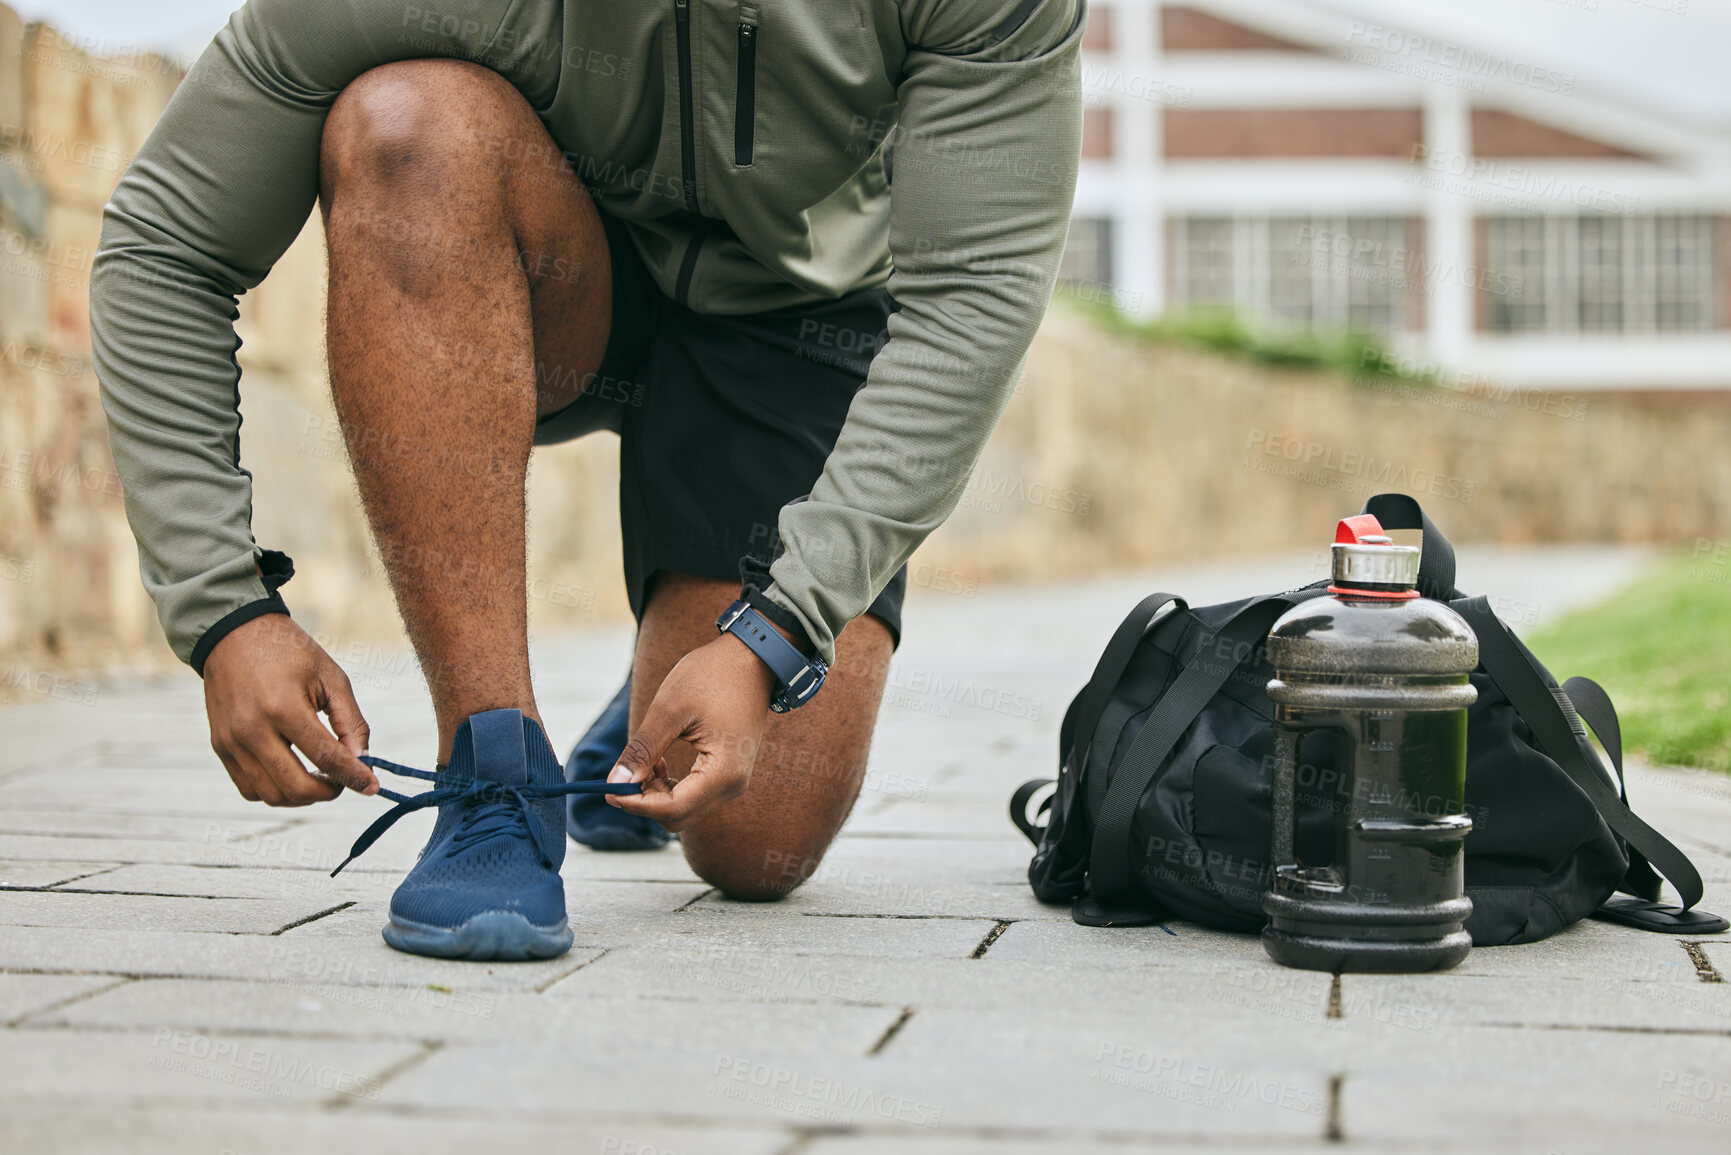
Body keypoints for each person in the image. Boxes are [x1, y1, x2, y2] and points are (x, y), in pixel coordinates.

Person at [90, 0, 1082, 960]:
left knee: (755, 845)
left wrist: (775, 634)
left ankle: (690, 646)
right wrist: (224, 610)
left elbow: (970, 303)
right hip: (553, 258)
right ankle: (493, 771)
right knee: (407, 127)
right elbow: (165, 246)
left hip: (794, 312)